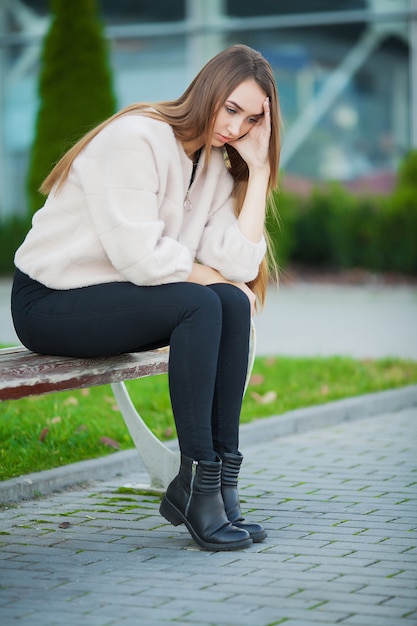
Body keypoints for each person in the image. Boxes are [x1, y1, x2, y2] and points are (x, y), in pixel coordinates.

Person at [11, 44, 281, 551]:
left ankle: (219, 483)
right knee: (204, 301)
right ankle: (196, 483)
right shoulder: (138, 138)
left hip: (115, 296)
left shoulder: (217, 165)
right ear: (208, 91)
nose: (237, 128)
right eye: (231, 109)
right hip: (50, 300)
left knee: (230, 302)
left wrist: (260, 172)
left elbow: (240, 267)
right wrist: (213, 277)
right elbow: (140, 257)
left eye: (250, 119)